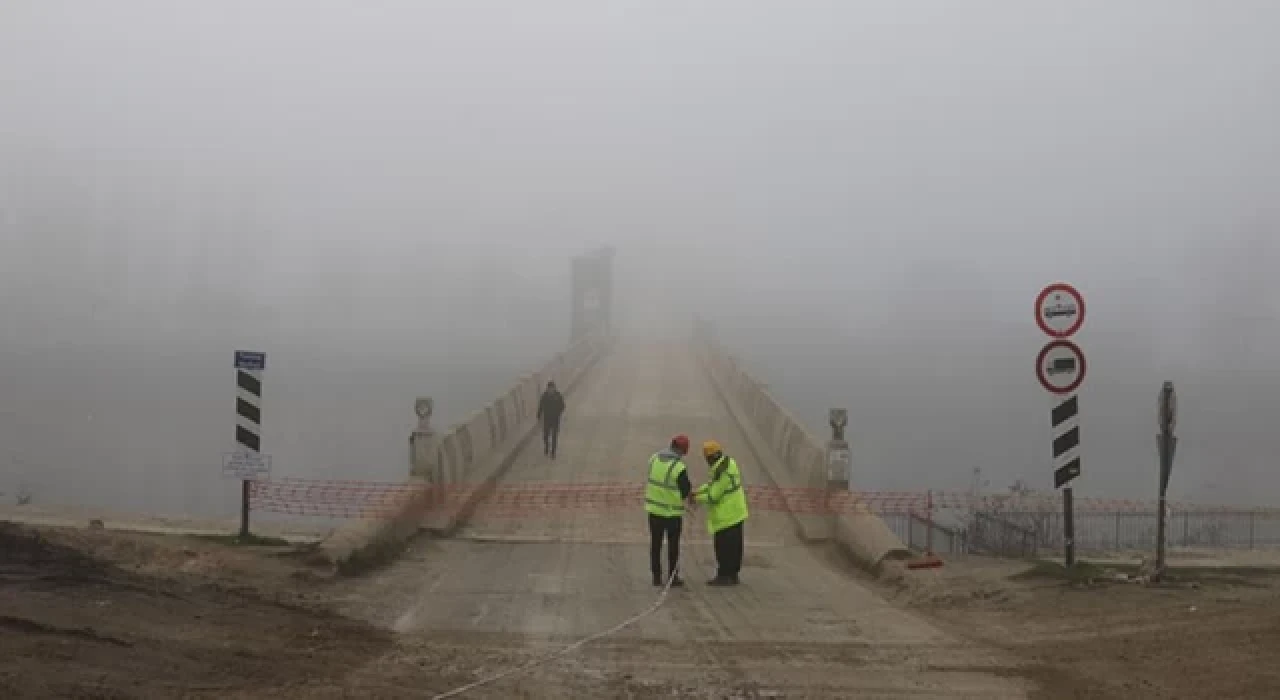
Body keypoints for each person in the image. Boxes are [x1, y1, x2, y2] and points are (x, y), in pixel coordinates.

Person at [693, 440, 749, 586]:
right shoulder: (728, 463)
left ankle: (724, 576)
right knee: (735, 547)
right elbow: (712, 485)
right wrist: (697, 491)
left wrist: (696, 499)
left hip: (727, 515)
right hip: (736, 512)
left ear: (710, 458)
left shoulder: (722, 472)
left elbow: (713, 495)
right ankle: (733, 575)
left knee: (724, 548)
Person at [644, 434, 692, 587]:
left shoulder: (654, 458)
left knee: (655, 544)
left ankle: (656, 577)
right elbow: (685, 490)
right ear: (682, 451)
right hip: (672, 514)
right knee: (673, 546)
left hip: (654, 512)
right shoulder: (679, 467)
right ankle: (673, 576)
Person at [536, 380, 565, 458]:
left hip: (555, 419)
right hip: (547, 419)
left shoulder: (558, 395)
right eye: (550, 388)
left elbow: (562, 406)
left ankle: (553, 452)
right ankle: (547, 446)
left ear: (554, 388)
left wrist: (558, 413)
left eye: (552, 388)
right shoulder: (544, 396)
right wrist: (538, 415)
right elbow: (540, 406)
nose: (551, 390)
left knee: (554, 436)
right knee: (545, 436)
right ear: (547, 388)